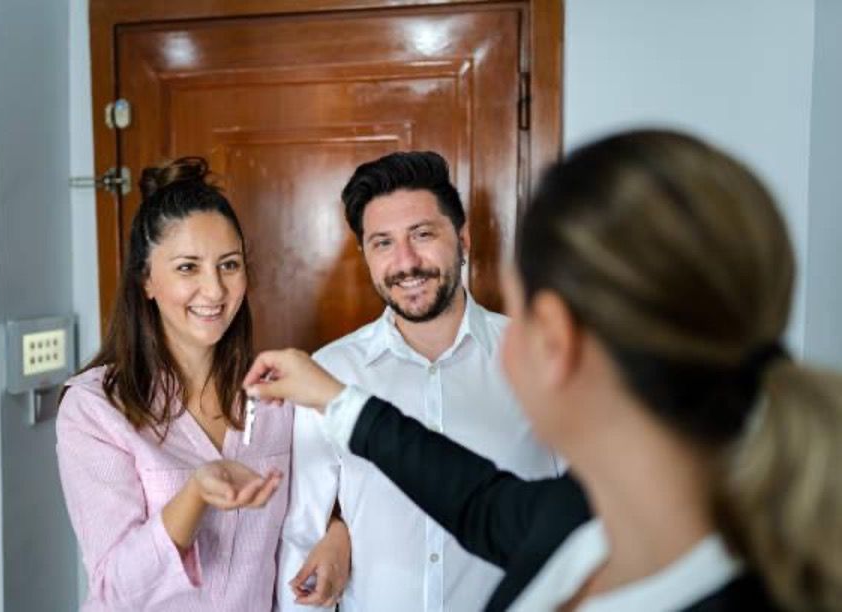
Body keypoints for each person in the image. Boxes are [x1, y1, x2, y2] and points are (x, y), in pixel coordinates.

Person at [246, 131, 842, 611]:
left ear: (554, 336)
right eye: (382, 243)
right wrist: (336, 403)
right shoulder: (573, 519)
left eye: (521, 307)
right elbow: (473, 497)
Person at [56, 158, 350, 611]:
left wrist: (338, 538)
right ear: (146, 280)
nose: (214, 291)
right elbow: (115, 590)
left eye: (228, 265)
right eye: (188, 268)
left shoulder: (276, 396)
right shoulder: (95, 408)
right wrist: (194, 494)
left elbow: (312, 501)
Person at [277, 152, 560, 611]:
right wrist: (339, 533)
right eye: (382, 243)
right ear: (365, 254)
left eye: (422, 235)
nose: (405, 262)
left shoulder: (541, 357)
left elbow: (584, 524)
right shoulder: (329, 373)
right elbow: (301, 536)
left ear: (463, 239)